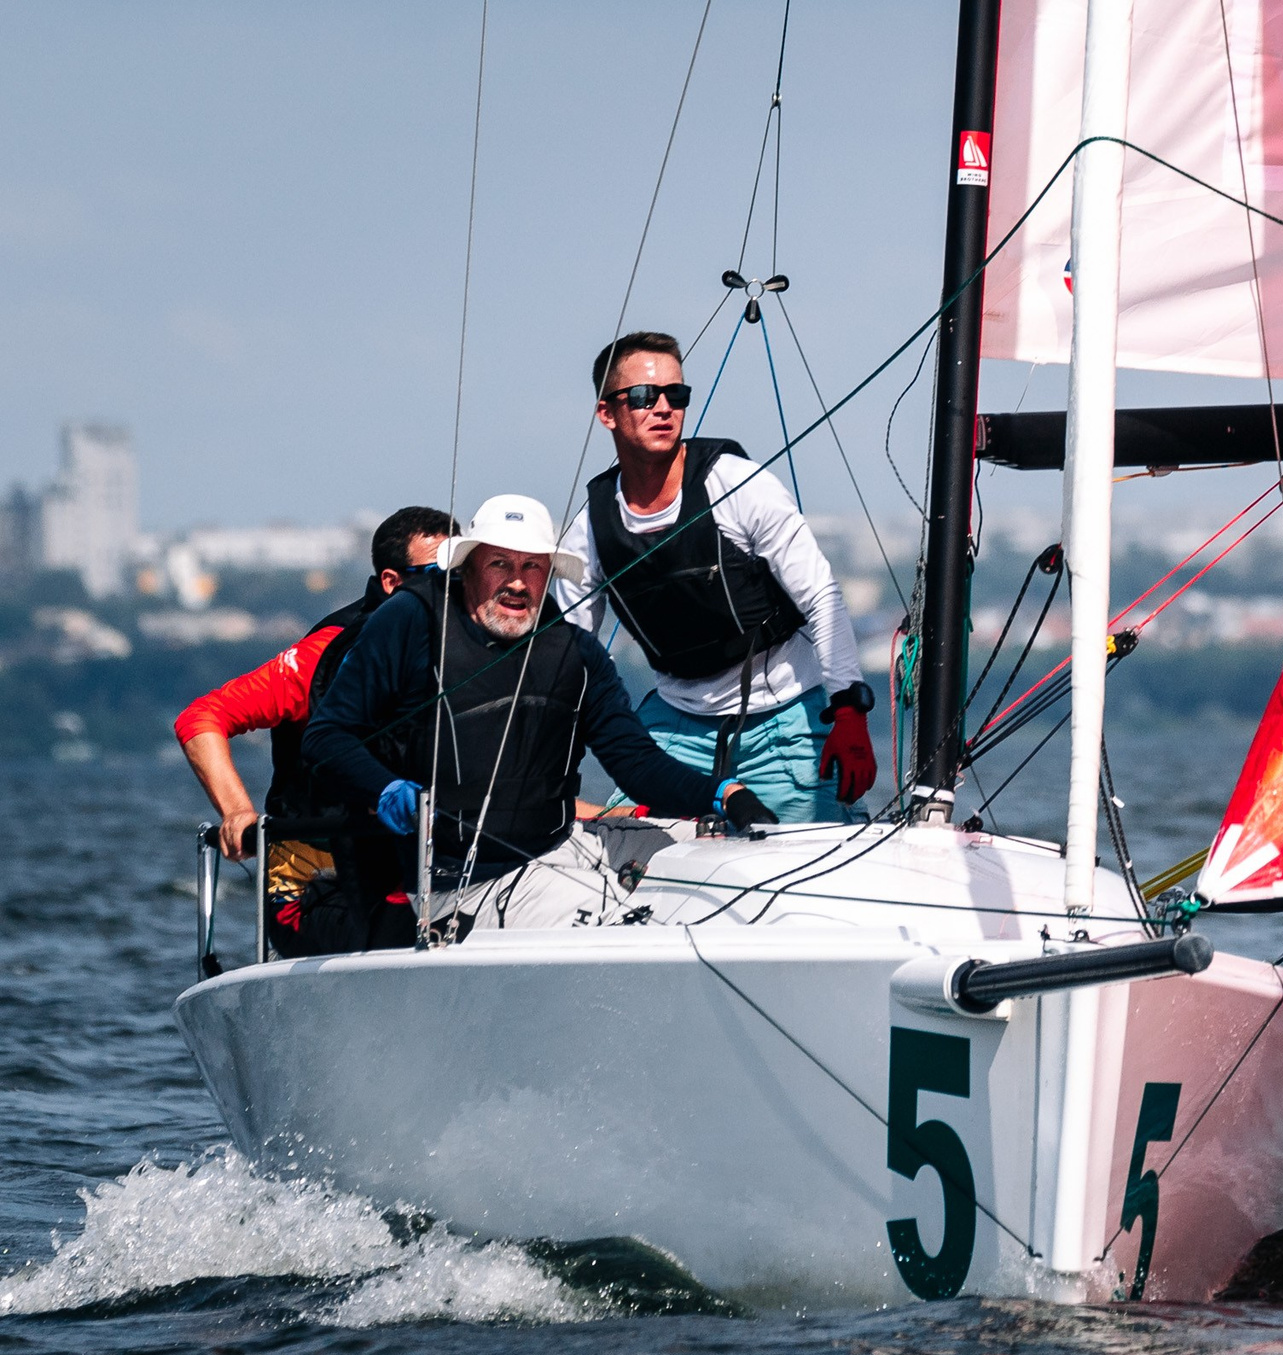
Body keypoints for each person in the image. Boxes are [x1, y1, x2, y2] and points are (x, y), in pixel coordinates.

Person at [303, 494, 778, 934]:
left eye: (532, 566)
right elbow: (326, 737)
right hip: (461, 884)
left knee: (717, 860)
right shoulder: (410, 620)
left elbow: (635, 762)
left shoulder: (574, 650)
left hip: (558, 845)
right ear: (468, 568)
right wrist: (384, 787)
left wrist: (722, 794)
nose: (516, 581)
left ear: (549, 572)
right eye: (499, 564)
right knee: (638, 928)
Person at [557, 330, 877, 824]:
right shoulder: (590, 529)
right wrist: (553, 756)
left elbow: (821, 595)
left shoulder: (738, 485)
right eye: (644, 396)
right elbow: (572, 652)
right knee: (635, 867)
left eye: (676, 395)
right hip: (675, 724)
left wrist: (849, 708)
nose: (663, 408)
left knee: (796, 871)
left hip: (784, 717)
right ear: (607, 412)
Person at [176, 506, 454, 954]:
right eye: (436, 574)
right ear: (392, 582)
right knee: (413, 927)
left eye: (461, 572)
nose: (452, 590)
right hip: (312, 886)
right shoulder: (326, 655)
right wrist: (237, 813)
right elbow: (203, 717)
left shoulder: (474, 650)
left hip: (421, 873)